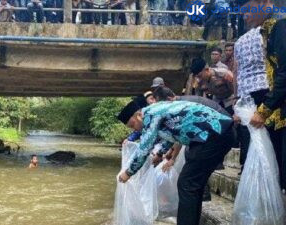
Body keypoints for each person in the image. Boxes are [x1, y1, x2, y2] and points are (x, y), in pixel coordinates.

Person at [117, 98, 235, 225]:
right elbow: (171, 132)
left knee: (187, 183)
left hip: (214, 134)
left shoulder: (151, 115)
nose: (134, 130)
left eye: (132, 125)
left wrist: (128, 173)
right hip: (217, 134)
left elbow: (144, 148)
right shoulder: (156, 110)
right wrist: (160, 154)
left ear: (139, 115)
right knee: (193, 184)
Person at [235, 0, 286, 186]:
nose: (245, 16)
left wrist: (264, 110)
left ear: (265, 2)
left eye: (248, 10)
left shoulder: (281, 24)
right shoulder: (268, 28)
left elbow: (284, 73)